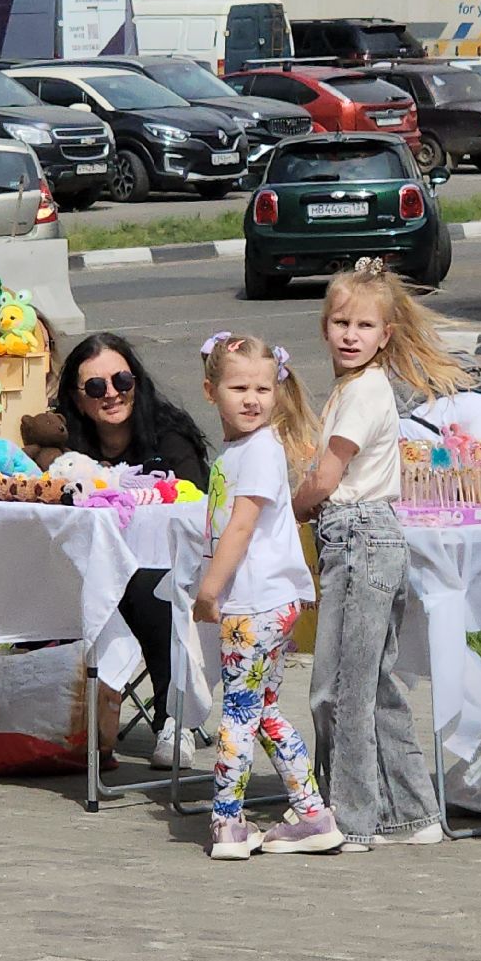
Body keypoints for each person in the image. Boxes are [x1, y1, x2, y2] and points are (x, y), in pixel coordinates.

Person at [293, 259, 471, 848]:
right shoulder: (353, 388)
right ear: (324, 327)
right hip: (365, 539)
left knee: (337, 688)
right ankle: (412, 814)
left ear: (385, 335)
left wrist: (289, 507)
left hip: (359, 539)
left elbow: (326, 477)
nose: (350, 335)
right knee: (374, 685)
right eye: (341, 322)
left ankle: (349, 819)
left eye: (364, 326)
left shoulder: (365, 393)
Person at [191, 332, 344, 860]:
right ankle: (311, 814)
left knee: (237, 711)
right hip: (271, 603)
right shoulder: (243, 451)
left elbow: (241, 529)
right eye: (239, 387)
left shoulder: (257, 450)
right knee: (264, 708)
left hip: (252, 604)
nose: (252, 398)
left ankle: (228, 823)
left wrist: (210, 590)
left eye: (262, 387)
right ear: (211, 391)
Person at [56, 332, 212, 768]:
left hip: (165, 570)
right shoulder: (65, 445)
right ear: (77, 397)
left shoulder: (170, 435)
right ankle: (62, 720)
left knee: (148, 588)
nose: (111, 394)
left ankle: (173, 718)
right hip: (83, 573)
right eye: (95, 387)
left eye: (121, 380)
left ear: (136, 382)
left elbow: (193, 505)